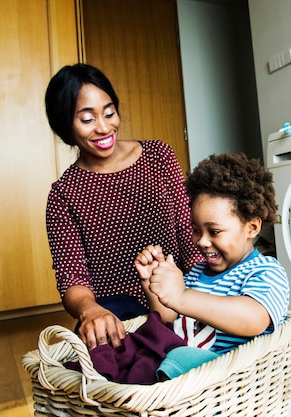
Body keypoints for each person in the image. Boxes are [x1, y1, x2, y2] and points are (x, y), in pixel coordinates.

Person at [44, 63, 203, 350]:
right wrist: (90, 311)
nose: (104, 128)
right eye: (87, 119)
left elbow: (188, 232)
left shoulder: (158, 156)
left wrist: (206, 291)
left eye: (109, 113)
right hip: (118, 310)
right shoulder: (64, 194)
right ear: (64, 123)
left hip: (178, 291)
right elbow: (72, 279)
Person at [135, 153, 290, 355]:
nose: (202, 241)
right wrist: (152, 284)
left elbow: (253, 320)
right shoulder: (197, 273)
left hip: (225, 372)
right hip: (183, 364)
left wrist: (181, 296)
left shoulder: (266, 271)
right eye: (196, 230)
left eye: (214, 232)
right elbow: (168, 321)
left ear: (251, 227)